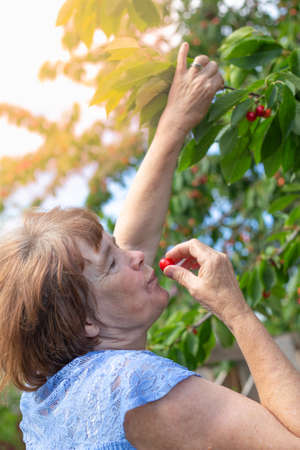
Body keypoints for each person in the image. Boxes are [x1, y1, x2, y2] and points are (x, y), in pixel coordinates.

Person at [0, 42, 299, 450]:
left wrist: (175, 122)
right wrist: (235, 309)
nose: (137, 255)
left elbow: (125, 246)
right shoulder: (137, 386)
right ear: (83, 321)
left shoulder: (46, 401)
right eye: (112, 262)